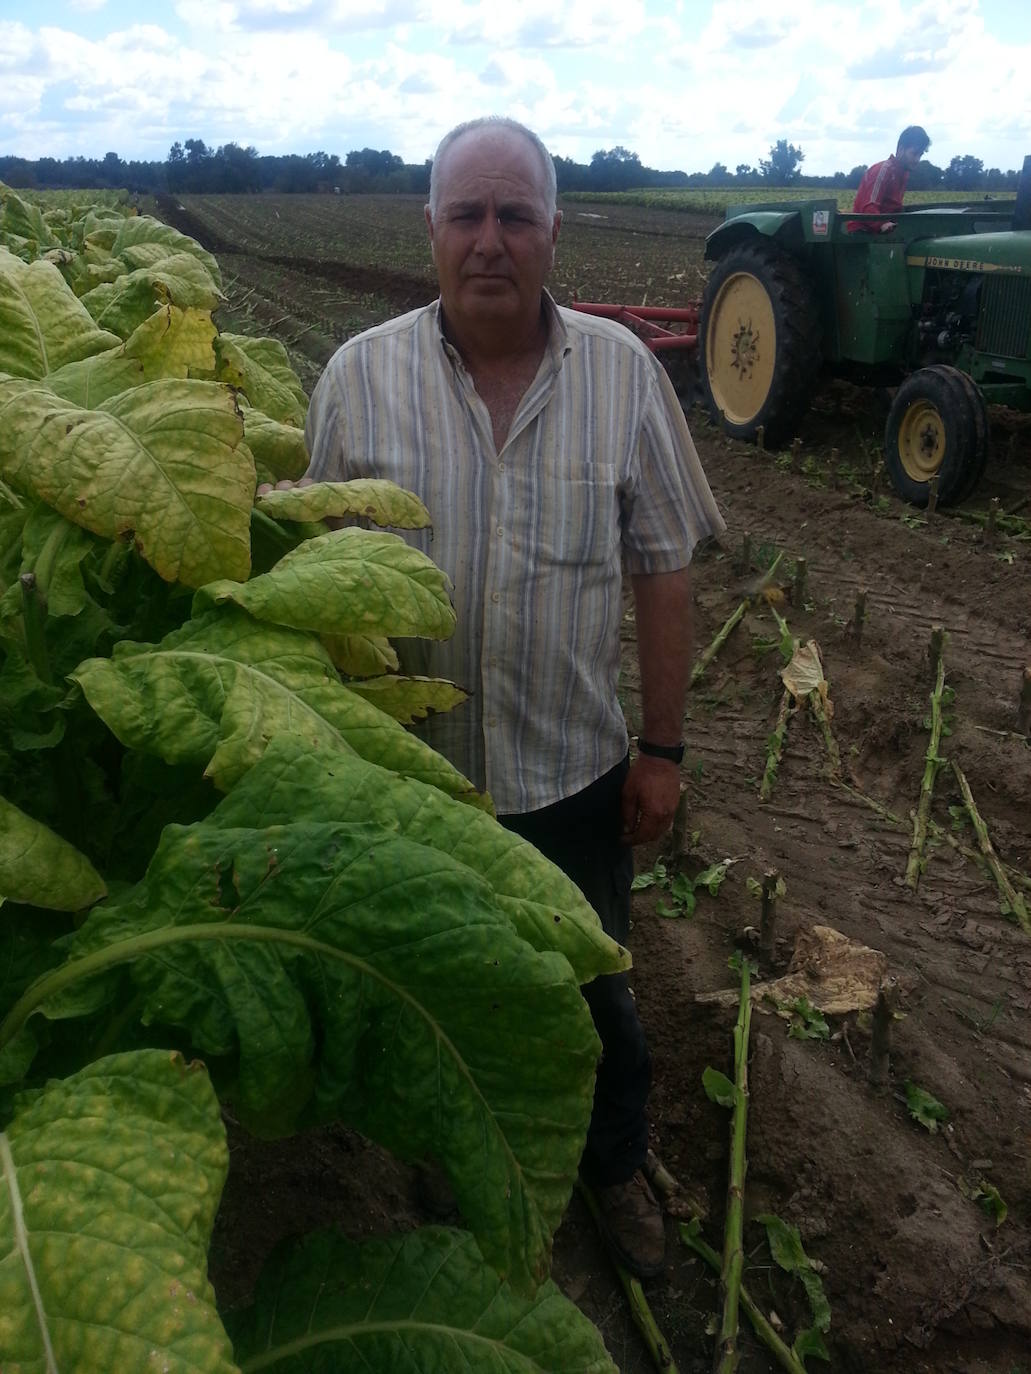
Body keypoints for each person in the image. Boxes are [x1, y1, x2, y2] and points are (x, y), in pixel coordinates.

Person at [298, 115, 724, 1278]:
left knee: (594, 994)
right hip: (413, 781)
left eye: (515, 216)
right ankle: (456, 1164)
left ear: (551, 231)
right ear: (429, 228)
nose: (490, 242)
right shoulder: (357, 378)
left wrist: (663, 751)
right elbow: (307, 577)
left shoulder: (622, 375)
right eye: (466, 215)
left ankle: (612, 1162)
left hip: (569, 775)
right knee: (438, 995)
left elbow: (663, 567)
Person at [847, 125, 931, 232]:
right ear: (901, 149)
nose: (917, 160)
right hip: (862, 232)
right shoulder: (884, 170)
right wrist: (882, 224)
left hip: (883, 231)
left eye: (920, 155)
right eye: (914, 154)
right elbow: (868, 207)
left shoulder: (903, 174)